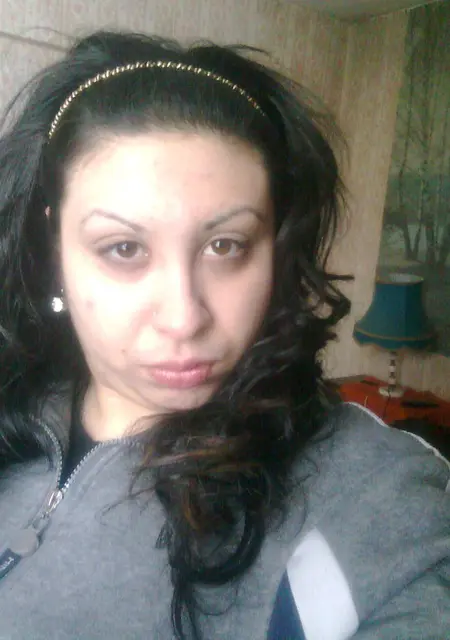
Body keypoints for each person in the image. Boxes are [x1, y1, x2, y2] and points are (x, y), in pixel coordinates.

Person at [0, 30, 448, 640]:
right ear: (55, 247)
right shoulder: (15, 405)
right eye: (124, 248)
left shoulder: (372, 494)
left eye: (226, 245)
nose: (185, 318)